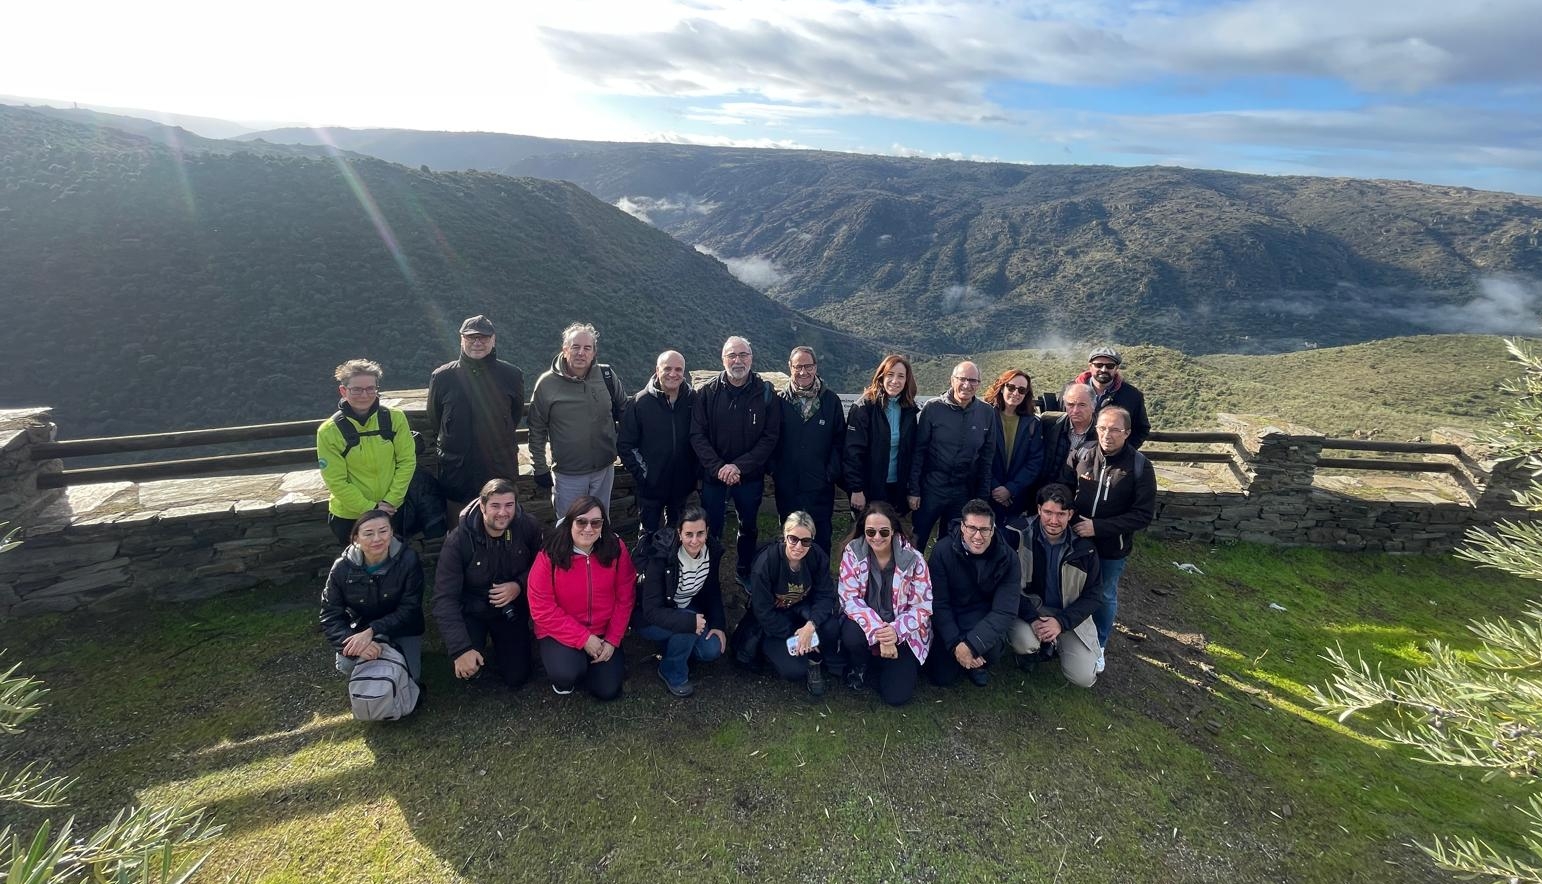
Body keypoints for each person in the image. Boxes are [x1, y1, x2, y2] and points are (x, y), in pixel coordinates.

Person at [1062, 405, 1155, 674]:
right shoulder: (1082, 454)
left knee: (1103, 594)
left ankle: (1099, 644)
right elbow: (1064, 487)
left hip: (1112, 546)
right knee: (1071, 586)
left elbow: (1142, 515)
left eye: (1115, 429)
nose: (1107, 435)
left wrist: (1098, 527)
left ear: (1127, 432)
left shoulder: (1139, 466)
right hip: (1075, 539)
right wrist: (1067, 517)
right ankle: (1067, 634)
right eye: (1102, 428)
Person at [431, 478, 543, 690]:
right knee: (469, 672)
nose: (503, 512)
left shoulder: (528, 526)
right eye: (495, 506)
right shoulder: (458, 540)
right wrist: (460, 649)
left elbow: (543, 567)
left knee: (517, 677)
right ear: (482, 506)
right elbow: (444, 598)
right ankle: (473, 648)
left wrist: (519, 585)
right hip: (473, 609)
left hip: (510, 607)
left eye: (509, 505)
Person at [691, 336, 782, 583]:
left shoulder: (765, 393)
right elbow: (697, 435)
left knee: (749, 526)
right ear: (723, 359)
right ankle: (707, 575)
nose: (737, 360)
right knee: (710, 528)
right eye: (732, 355)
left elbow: (770, 437)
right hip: (714, 477)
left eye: (743, 355)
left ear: (751, 358)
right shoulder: (707, 393)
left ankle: (744, 570)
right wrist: (719, 467)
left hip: (749, 476)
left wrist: (739, 467)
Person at [528, 496, 637, 699]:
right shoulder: (550, 552)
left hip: (603, 631)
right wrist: (584, 638)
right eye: (581, 522)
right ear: (570, 522)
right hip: (559, 632)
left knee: (607, 690)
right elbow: (541, 607)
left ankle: (592, 666)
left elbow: (625, 597)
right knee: (566, 674)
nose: (588, 528)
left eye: (596, 523)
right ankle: (570, 667)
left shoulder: (616, 547)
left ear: (603, 525)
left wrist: (613, 639)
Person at [424, 315, 525, 525]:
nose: (477, 342)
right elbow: (436, 419)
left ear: (493, 340)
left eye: (483, 337)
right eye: (471, 337)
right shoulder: (442, 377)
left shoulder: (512, 375)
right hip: (457, 472)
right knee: (459, 529)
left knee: (501, 526)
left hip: (499, 469)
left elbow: (513, 416)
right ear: (461, 339)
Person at [837, 502, 933, 706]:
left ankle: (883, 663)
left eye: (884, 532)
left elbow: (922, 606)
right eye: (870, 532)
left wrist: (895, 632)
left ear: (894, 530)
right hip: (866, 626)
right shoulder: (852, 553)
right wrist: (881, 632)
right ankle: (860, 664)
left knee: (896, 697)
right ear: (863, 530)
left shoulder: (915, 560)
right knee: (851, 635)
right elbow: (849, 598)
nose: (877, 537)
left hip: (903, 632)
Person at [528, 322, 628, 517]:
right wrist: (539, 467)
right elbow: (536, 428)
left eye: (587, 348)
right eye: (575, 347)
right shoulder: (547, 384)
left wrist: (626, 450)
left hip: (604, 468)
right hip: (568, 473)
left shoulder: (606, 376)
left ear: (594, 352)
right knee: (568, 524)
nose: (581, 353)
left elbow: (625, 411)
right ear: (565, 350)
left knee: (600, 521)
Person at [1007, 483, 1101, 688]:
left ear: (1070, 514)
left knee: (1083, 678)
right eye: (1048, 512)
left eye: (1061, 514)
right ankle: (1031, 651)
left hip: (1067, 613)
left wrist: (1060, 622)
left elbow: (1094, 596)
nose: (1053, 520)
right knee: (1025, 643)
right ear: (1039, 509)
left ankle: (1055, 642)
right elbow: (1005, 585)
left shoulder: (1085, 548)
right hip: (1029, 610)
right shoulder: (1016, 534)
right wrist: (1032, 618)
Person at [317, 360, 416, 546]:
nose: (364, 395)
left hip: (392, 509)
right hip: (350, 516)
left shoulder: (395, 418)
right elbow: (335, 480)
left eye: (371, 388)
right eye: (357, 389)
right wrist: (372, 509)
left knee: (397, 559)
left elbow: (407, 461)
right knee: (357, 562)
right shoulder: (329, 431)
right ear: (343, 391)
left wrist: (391, 500)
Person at [320, 509, 425, 682]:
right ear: (356, 539)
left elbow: (410, 608)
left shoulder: (409, 560)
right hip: (360, 626)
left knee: (410, 676)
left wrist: (373, 631)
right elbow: (330, 614)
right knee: (347, 664)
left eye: (383, 531)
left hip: (403, 627)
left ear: (391, 533)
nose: (377, 539)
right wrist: (352, 641)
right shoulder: (341, 568)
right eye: (368, 533)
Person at [927, 499, 1019, 688]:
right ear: (962, 527)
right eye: (972, 528)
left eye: (984, 529)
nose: (978, 536)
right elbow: (939, 603)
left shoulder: (1008, 557)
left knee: (990, 651)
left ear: (992, 530)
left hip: (982, 619)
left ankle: (977, 663)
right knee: (942, 677)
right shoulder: (942, 551)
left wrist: (973, 644)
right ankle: (961, 658)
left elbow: (1004, 610)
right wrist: (955, 644)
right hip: (951, 617)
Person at [746, 512, 841, 697]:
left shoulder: (816, 556)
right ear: (784, 536)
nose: (799, 546)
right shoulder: (766, 563)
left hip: (804, 615)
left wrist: (810, 626)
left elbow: (825, 595)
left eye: (806, 541)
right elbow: (763, 612)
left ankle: (814, 661)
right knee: (794, 670)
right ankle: (772, 651)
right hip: (775, 623)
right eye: (793, 539)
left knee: (831, 627)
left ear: (812, 540)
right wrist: (796, 634)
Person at [637, 506, 727, 698]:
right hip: (650, 619)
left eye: (700, 533)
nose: (695, 541)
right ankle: (672, 672)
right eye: (688, 534)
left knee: (711, 650)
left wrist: (718, 624)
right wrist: (688, 622)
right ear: (679, 533)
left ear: (707, 532)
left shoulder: (712, 551)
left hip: (687, 608)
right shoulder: (662, 556)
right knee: (688, 626)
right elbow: (651, 610)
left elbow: (712, 590)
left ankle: (673, 645)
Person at [908, 360, 997, 552]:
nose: (967, 384)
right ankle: (913, 572)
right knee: (917, 540)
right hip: (931, 488)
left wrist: (981, 498)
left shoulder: (987, 413)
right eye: (962, 379)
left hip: (962, 491)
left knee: (952, 545)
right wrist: (914, 490)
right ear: (952, 380)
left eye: (972, 380)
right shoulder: (933, 408)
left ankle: (941, 572)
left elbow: (986, 459)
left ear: (979, 384)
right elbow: (918, 451)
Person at [618, 350, 698, 546]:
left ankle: (674, 563)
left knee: (679, 532)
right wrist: (644, 474)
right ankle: (646, 563)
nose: (673, 374)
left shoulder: (693, 401)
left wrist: (693, 471)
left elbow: (701, 437)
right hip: (651, 485)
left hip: (682, 483)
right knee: (648, 533)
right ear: (657, 370)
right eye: (667, 368)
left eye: (678, 369)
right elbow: (626, 444)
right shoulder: (640, 403)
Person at [772, 346, 846, 553]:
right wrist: (776, 471)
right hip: (787, 484)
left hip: (820, 485)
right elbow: (771, 438)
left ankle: (820, 571)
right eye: (798, 367)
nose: (803, 372)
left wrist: (829, 473)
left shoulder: (830, 401)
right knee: (790, 535)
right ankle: (791, 571)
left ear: (816, 367)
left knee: (821, 536)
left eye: (808, 366)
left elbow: (839, 441)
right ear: (790, 367)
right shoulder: (779, 401)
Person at [843, 354, 919, 519]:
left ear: (907, 380)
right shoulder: (864, 407)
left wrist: (911, 489)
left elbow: (912, 452)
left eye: (901, 376)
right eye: (890, 374)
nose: (895, 381)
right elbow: (852, 452)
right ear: (881, 376)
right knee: (866, 531)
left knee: (892, 530)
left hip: (897, 488)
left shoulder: (908, 409)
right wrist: (856, 489)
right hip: (868, 488)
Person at [982, 369, 1044, 521]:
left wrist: (1010, 489)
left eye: (1022, 390)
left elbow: (1034, 462)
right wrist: (995, 488)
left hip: (1015, 500)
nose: (1016, 393)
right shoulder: (984, 416)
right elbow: (978, 455)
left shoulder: (1033, 423)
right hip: (984, 494)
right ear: (1001, 387)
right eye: (1011, 387)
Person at [1075, 347, 1151, 450]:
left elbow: (1141, 429)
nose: (1103, 369)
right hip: (1072, 455)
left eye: (1110, 366)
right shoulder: (1071, 391)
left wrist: (1123, 451)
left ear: (1116, 368)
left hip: (1111, 456)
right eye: (1098, 365)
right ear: (1090, 366)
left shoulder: (1132, 396)